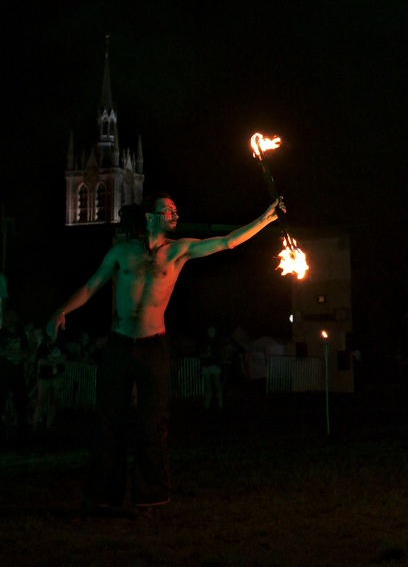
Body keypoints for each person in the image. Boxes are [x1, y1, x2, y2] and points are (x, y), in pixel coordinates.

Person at [46, 192, 284, 512]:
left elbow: (227, 242)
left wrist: (266, 218)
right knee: (108, 422)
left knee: (152, 424)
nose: (175, 214)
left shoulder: (178, 251)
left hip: (153, 346)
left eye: (175, 210)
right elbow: (91, 286)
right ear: (150, 217)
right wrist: (62, 310)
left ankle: (151, 495)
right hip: (119, 345)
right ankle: (103, 495)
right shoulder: (122, 252)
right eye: (169, 210)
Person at [0, 308, 33, 445]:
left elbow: (27, 353)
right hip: (3, 374)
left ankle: (23, 435)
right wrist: (17, 355)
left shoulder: (21, 335)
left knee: (21, 403)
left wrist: (12, 355)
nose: (12, 319)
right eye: (10, 316)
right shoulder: (1, 334)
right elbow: (1, 351)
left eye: (14, 315)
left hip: (18, 374)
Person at [32, 330, 67, 434]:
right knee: (41, 401)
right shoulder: (43, 346)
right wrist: (55, 362)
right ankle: (35, 424)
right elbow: (41, 361)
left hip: (56, 377)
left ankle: (48, 424)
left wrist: (50, 362)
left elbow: (64, 359)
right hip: (45, 377)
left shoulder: (61, 345)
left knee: (53, 401)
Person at [199, 325, 224, 410]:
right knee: (209, 387)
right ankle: (208, 405)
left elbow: (215, 354)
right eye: (210, 330)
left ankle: (219, 405)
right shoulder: (205, 341)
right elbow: (201, 353)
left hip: (214, 366)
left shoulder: (217, 342)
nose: (211, 332)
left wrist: (207, 355)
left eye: (212, 330)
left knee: (216, 386)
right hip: (208, 366)